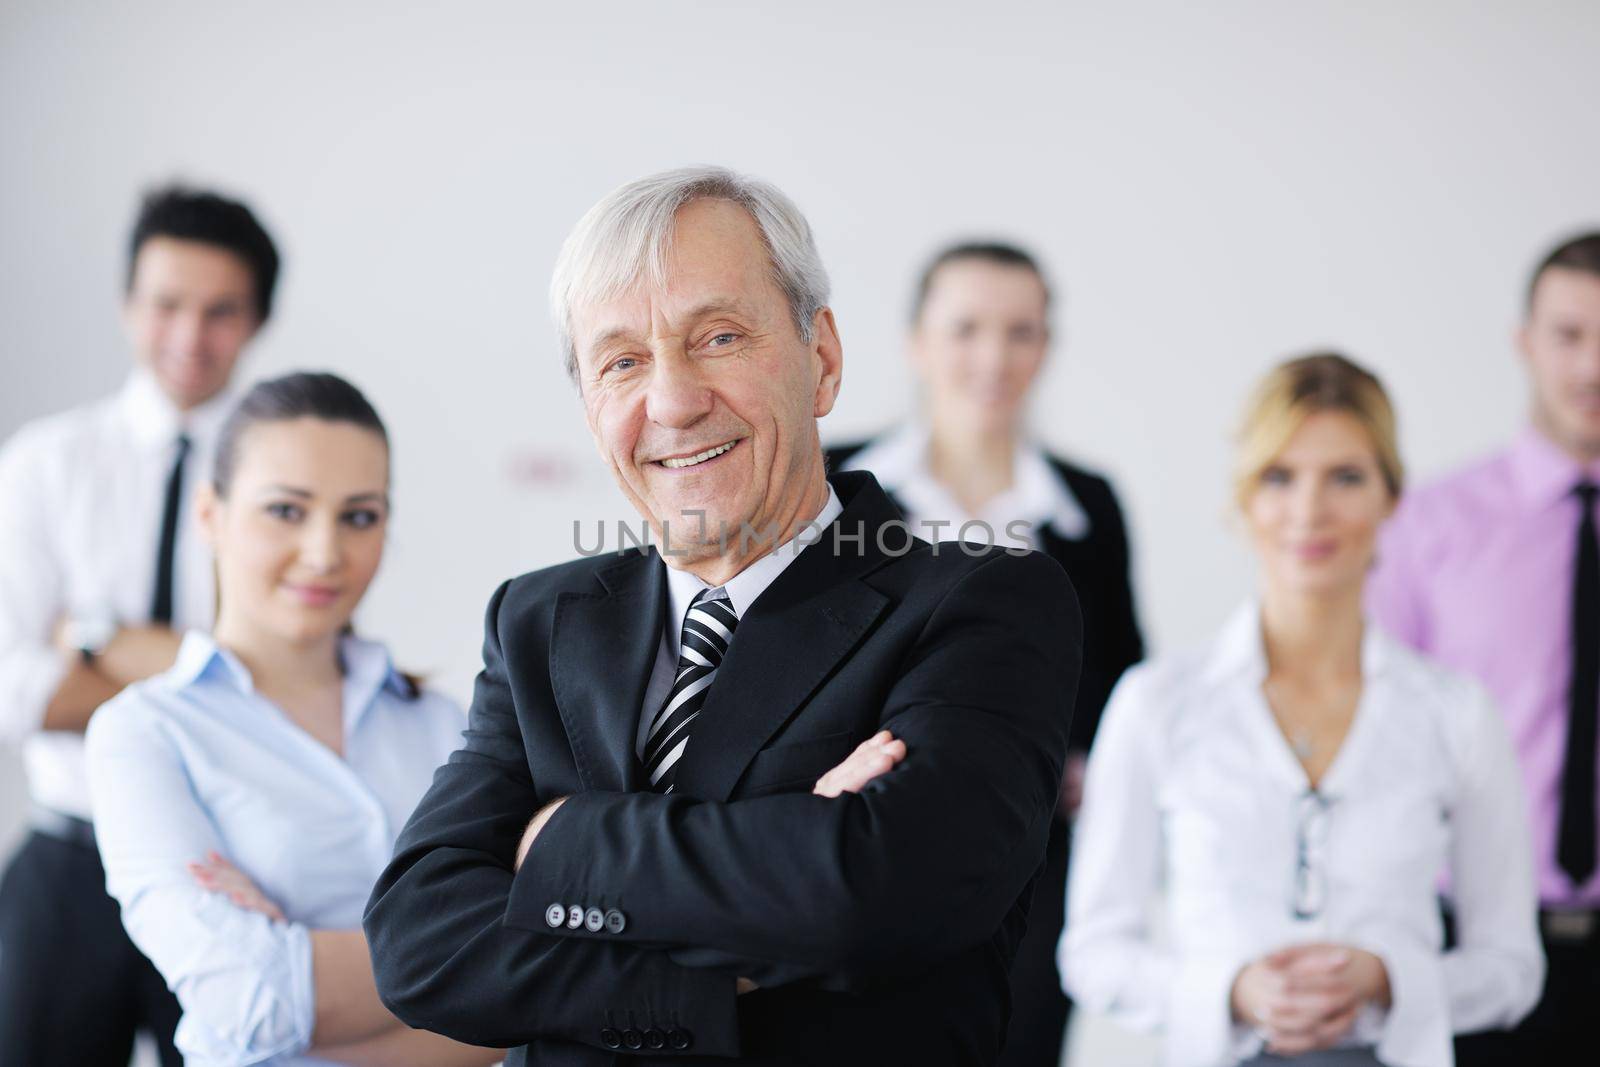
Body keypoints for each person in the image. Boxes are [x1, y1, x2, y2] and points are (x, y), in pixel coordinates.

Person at [362, 166, 1083, 1066]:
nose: (671, 400)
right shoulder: (540, 620)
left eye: (719, 337)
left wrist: (563, 841)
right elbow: (420, 940)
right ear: (590, 407)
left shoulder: (981, 603)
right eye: (622, 360)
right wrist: (747, 938)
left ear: (821, 359)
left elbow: (881, 896)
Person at [1061, 354, 1542, 1067]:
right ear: (1245, 498)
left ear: (1392, 497)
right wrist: (1231, 989)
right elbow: (1094, 951)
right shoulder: (1157, 703)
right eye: (1280, 476)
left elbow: (1511, 966)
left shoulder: (1456, 715)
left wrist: (1390, 978)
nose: (1310, 510)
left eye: (1346, 476)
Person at [84, 372, 500, 1066]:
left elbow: (533, 979)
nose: (324, 552)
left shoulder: (446, 725)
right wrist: (478, 958)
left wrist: (312, 971)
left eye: (359, 515)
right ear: (210, 515)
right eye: (286, 509)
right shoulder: (144, 733)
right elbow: (254, 995)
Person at [827, 241, 1143, 1067]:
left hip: (1033, 877)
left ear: (1045, 346)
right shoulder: (831, 485)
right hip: (849, 852)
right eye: (966, 328)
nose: (994, 357)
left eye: (1021, 331)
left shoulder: (1087, 507)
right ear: (916, 342)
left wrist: (1091, 756)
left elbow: (1121, 675)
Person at [0, 184, 278, 1065]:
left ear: (257, 320)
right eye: (166, 304)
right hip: (67, 862)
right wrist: (204, 671)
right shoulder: (44, 464)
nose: (189, 337)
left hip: (223, 869)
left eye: (220, 311)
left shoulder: (280, 480)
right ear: (129, 305)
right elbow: (14, 688)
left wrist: (94, 642)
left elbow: (279, 683)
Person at [1368, 232, 1600, 1061]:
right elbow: (1376, 741)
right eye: (1570, 335)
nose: (1591, 367)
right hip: (1471, 939)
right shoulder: (1427, 527)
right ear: (1524, 342)